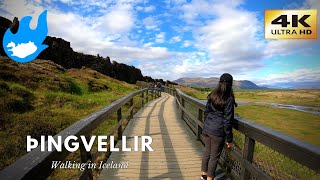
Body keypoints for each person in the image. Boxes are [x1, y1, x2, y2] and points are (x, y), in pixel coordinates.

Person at [200, 73, 235, 180]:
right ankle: (210, 178)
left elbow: (206, 112)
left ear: (219, 82)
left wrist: (207, 124)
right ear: (230, 84)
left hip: (207, 128)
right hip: (217, 132)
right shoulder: (229, 98)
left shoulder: (212, 94)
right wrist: (229, 140)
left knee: (207, 152)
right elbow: (227, 121)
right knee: (214, 157)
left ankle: (203, 175)